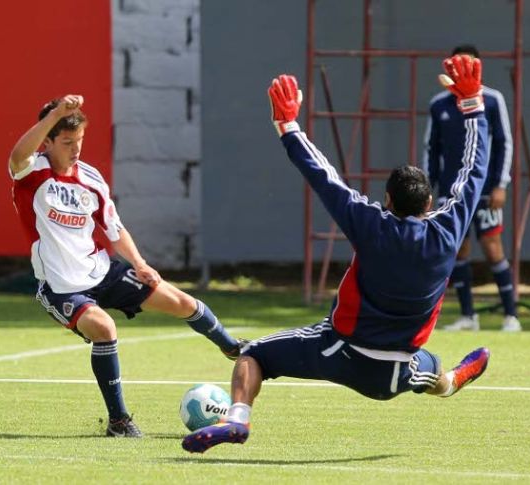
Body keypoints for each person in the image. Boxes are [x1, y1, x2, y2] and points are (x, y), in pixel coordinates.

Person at [181, 55, 492, 453]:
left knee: (253, 355)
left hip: (338, 351)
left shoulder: (372, 224)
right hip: (394, 373)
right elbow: (473, 170)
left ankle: (237, 419)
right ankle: (455, 379)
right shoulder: (449, 228)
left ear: (387, 199)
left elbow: (323, 176)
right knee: (435, 376)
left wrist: (287, 125)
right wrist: (472, 105)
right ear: (430, 202)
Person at [8, 95, 247, 438]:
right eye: (67, 143)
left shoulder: (90, 178)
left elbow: (113, 229)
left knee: (181, 301)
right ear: (48, 141)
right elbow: (17, 155)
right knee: (104, 329)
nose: (76, 149)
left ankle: (232, 347)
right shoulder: (31, 173)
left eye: (80, 141)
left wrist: (140, 263)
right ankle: (119, 421)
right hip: (62, 287)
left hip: (102, 272)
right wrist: (56, 113)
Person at [423, 44, 521, 332]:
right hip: (451, 193)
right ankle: (468, 316)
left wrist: (501, 184)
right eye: (458, 64)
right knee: (457, 250)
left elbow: (505, 142)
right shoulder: (439, 103)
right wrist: (427, 187)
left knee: (493, 247)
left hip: (486, 190)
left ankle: (511, 316)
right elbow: (430, 147)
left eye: (469, 64)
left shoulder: (491, 99)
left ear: (478, 66)